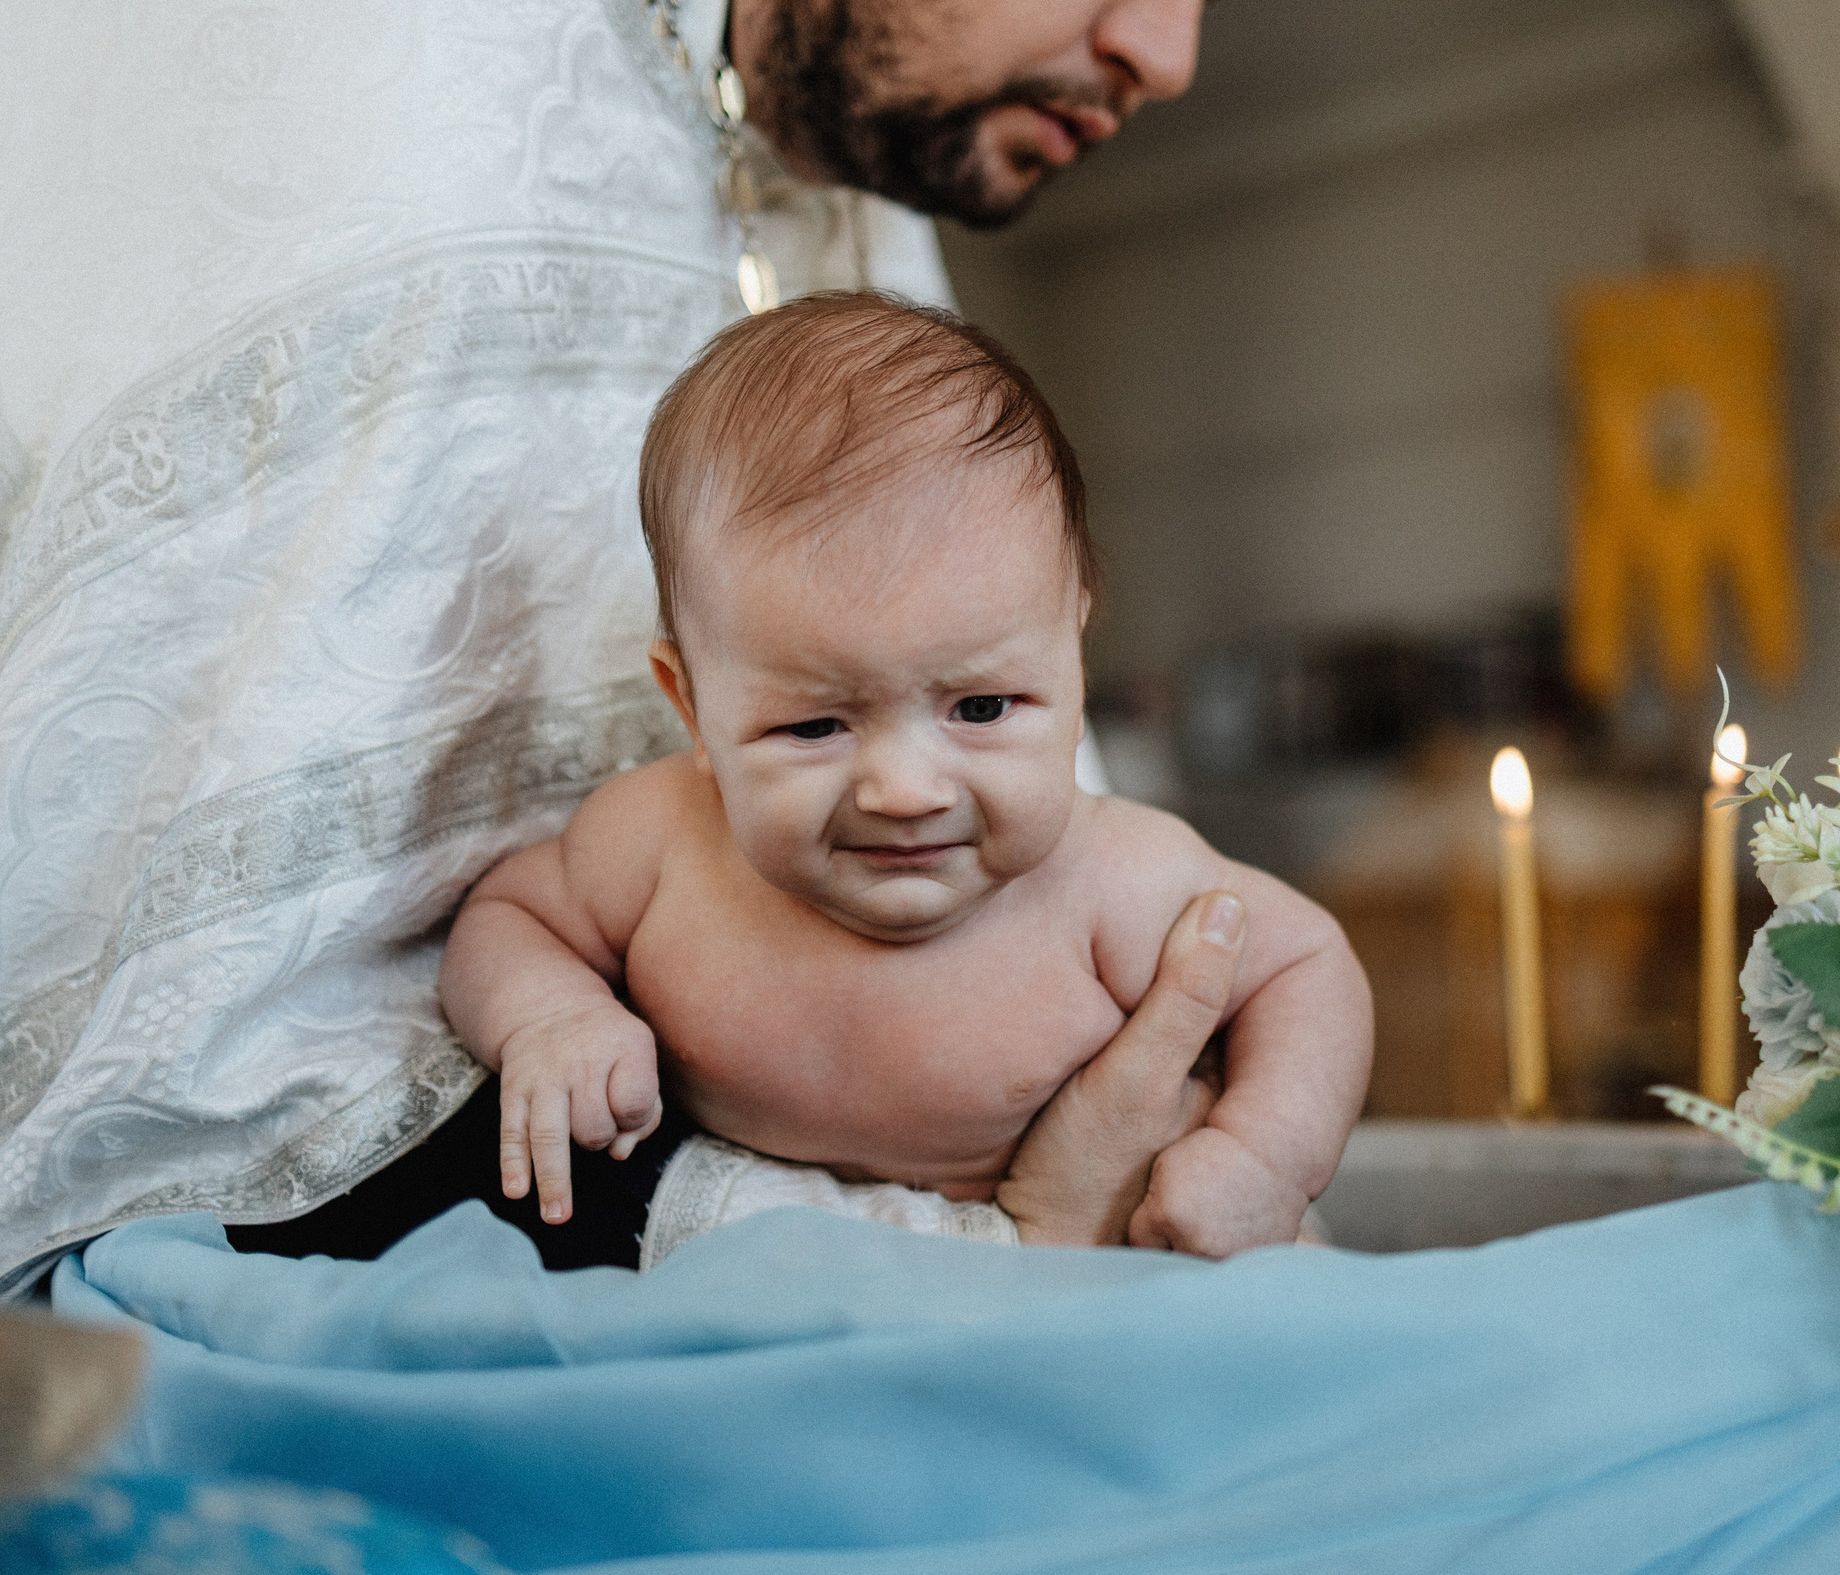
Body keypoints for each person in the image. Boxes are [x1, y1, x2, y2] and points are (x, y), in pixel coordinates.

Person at [0, 0, 1312, 1297]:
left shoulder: (833, 194)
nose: (1170, 53)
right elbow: (209, 1090)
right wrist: (995, 1249)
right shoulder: (359, 19)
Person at [440, 293, 1371, 1255]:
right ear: (692, 706)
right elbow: (511, 913)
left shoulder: (1115, 879)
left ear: (1073, 663)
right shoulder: (663, 846)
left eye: (980, 708)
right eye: (814, 725)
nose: (905, 789)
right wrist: (551, 1015)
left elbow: (1307, 967)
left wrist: (1263, 1159)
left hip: (1170, 1248)